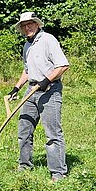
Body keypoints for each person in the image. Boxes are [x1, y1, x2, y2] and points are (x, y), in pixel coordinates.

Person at [7, 11, 70, 182]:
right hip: (31, 91)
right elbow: (27, 71)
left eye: (30, 24)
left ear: (37, 24)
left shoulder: (48, 40)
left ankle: (58, 173)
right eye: (24, 26)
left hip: (50, 90)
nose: (27, 28)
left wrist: (45, 81)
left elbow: (63, 65)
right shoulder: (27, 46)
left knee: (52, 133)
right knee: (24, 129)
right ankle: (24, 166)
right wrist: (16, 88)